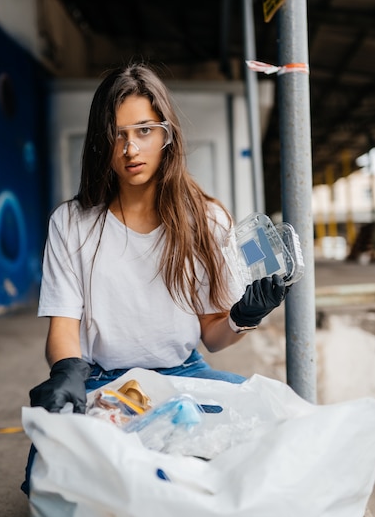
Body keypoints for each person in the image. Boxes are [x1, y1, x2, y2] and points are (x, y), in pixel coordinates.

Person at [29, 61, 287, 416]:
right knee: (52, 468)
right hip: (99, 379)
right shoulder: (70, 222)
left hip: (184, 374)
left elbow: (212, 336)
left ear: (167, 135)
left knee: (271, 419)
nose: (130, 148)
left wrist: (243, 316)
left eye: (144, 131)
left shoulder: (207, 219)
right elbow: (63, 327)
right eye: (117, 134)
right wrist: (67, 371)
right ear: (99, 142)